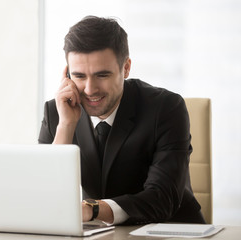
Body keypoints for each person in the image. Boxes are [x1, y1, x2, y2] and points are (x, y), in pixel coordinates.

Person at [38, 16, 205, 225]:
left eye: (102, 75)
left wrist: (93, 210)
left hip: (169, 231)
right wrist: (65, 127)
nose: (89, 89)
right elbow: (42, 196)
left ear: (126, 68)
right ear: (67, 73)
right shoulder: (57, 112)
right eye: (79, 76)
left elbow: (162, 198)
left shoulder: (166, 108)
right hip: (98, 234)